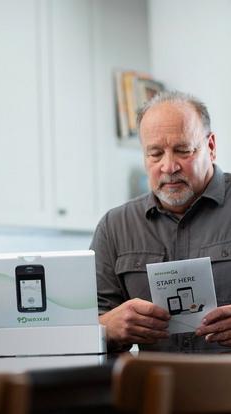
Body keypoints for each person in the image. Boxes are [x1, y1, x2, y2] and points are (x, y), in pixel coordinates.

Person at [91, 90, 231, 352]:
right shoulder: (114, 227)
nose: (169, 166)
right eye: (155, 153)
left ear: (211, 147)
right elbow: (84, 327)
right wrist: (106, 328)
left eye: (183, 150)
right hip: (154, 389)